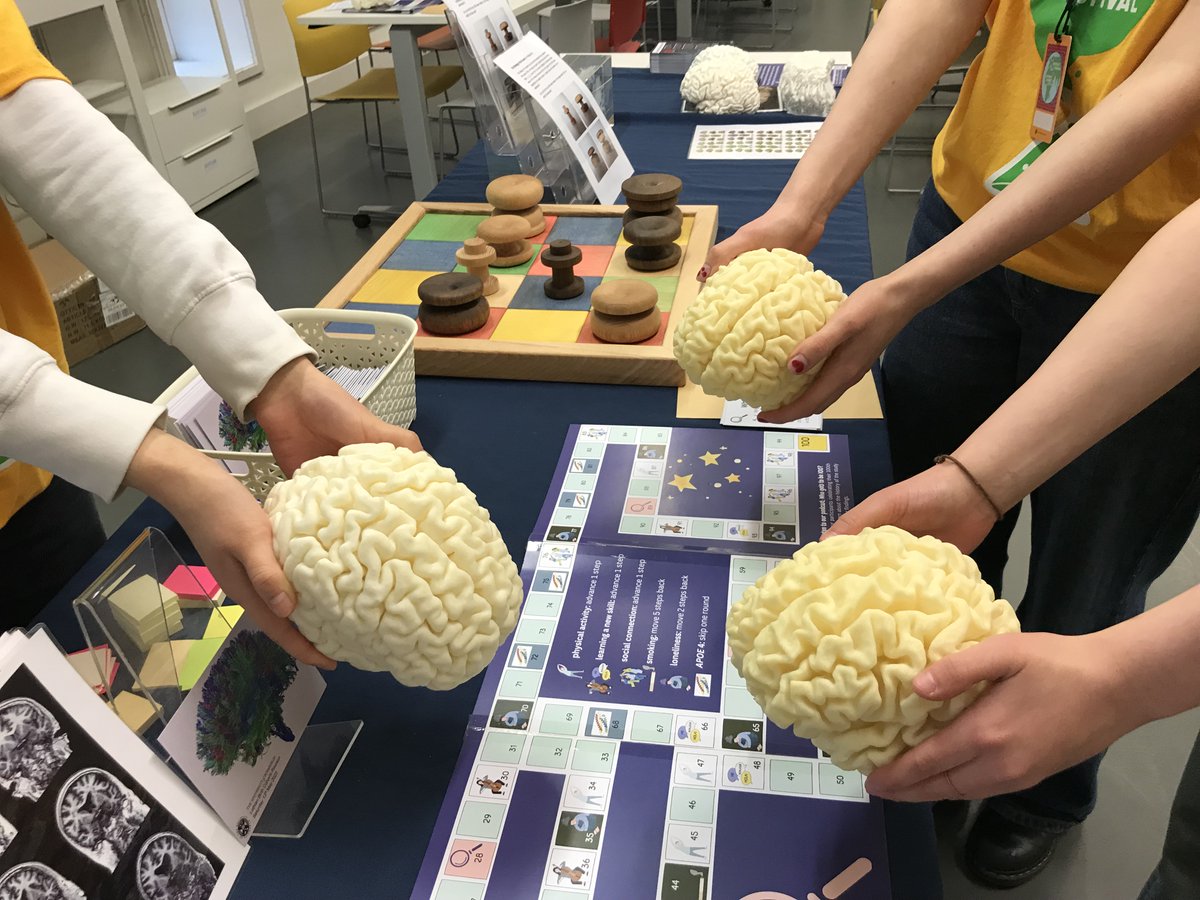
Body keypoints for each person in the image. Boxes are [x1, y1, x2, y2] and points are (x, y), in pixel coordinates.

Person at [702, 0, 1200, 886]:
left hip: (1146, 276)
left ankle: (1042, 793)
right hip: (973, 211)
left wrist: (903, 290)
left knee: (1094, 559)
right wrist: (802, 207)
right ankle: (934, 738)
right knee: (931, 522)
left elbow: (1172, 86)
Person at [0, 3, 419, 667]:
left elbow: (53, 145)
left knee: (94, 683)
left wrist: (271, 369)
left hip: (28, 476)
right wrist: (163, 462)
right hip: (37, 426)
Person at [820, 195, 1200, 899]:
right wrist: (974, 482)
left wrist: (1127, 677)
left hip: (1128, 241)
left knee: (1092, 568)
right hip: (1028, 222)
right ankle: (955, 746)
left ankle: (1041, 794)